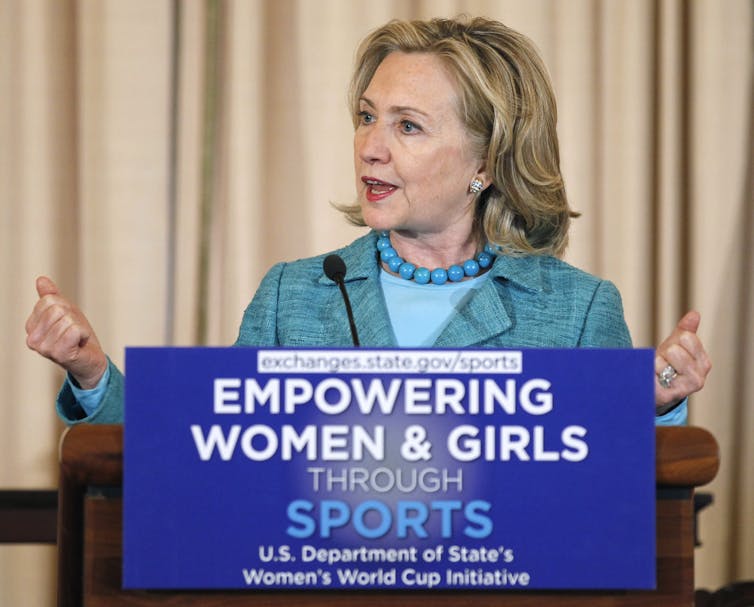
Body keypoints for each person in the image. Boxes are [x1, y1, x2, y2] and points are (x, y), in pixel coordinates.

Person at [25, 16, 710, 426]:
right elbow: (202, 460)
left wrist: (653, 406)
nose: (371, 146)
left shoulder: (578, 310)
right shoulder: (294, 296)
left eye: (407, 126)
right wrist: (92, 374)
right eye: (366, 116)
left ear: (488, 162)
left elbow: (618, 498)